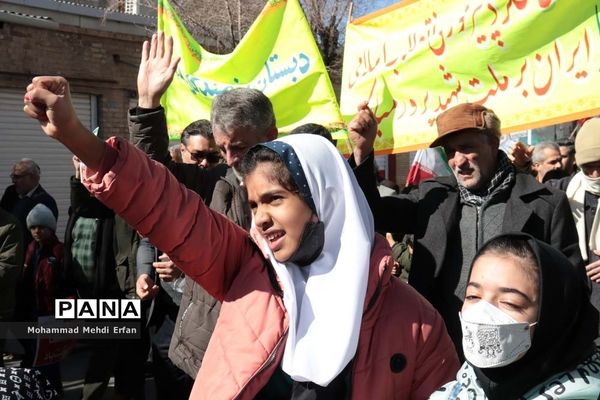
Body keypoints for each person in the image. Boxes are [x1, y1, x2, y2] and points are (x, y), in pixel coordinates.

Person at [24, 75, 460, 399]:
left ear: (323, 199)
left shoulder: (416, 322)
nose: (261, 219)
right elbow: (162, 203)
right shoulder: (245, 268)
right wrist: (75, 135)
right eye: (253, 205)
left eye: (275, 199)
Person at [350, 102, 581, 356]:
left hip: (517, 354)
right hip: (440, 350)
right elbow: (372, 213)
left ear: (493, 143)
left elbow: (570, 289)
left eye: (467, 147)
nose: (458, 161)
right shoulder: (433, 198)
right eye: (450, 151)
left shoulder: (545, 205)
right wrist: (363, 151)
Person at [430, 233, 599, 399]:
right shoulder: (460, 388)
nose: (482, 314)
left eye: (510, 303)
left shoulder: (584, 390)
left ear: (552, 318)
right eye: (473, 296)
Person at [543, 118, 600, 343]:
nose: (594, 175)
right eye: (588, 167)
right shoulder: (564, 190)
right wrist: (523, 167)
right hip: (578, 317)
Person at [16, 204, 66, 393]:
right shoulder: (29, 249)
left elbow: (67, 283)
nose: (37, 231)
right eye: (33, 227)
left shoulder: (59, 251)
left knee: (48, 361)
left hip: (49, 314)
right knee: (31, 358)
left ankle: (53, 393)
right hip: (30, 313)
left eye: (41, 227)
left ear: (50, 228)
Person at [1, 159, 58, 245]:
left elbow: (44, 237)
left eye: (17, 177)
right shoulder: (10, 193)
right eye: (12, 176)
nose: (13, 181)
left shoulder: (45, 201)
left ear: (32, 177)